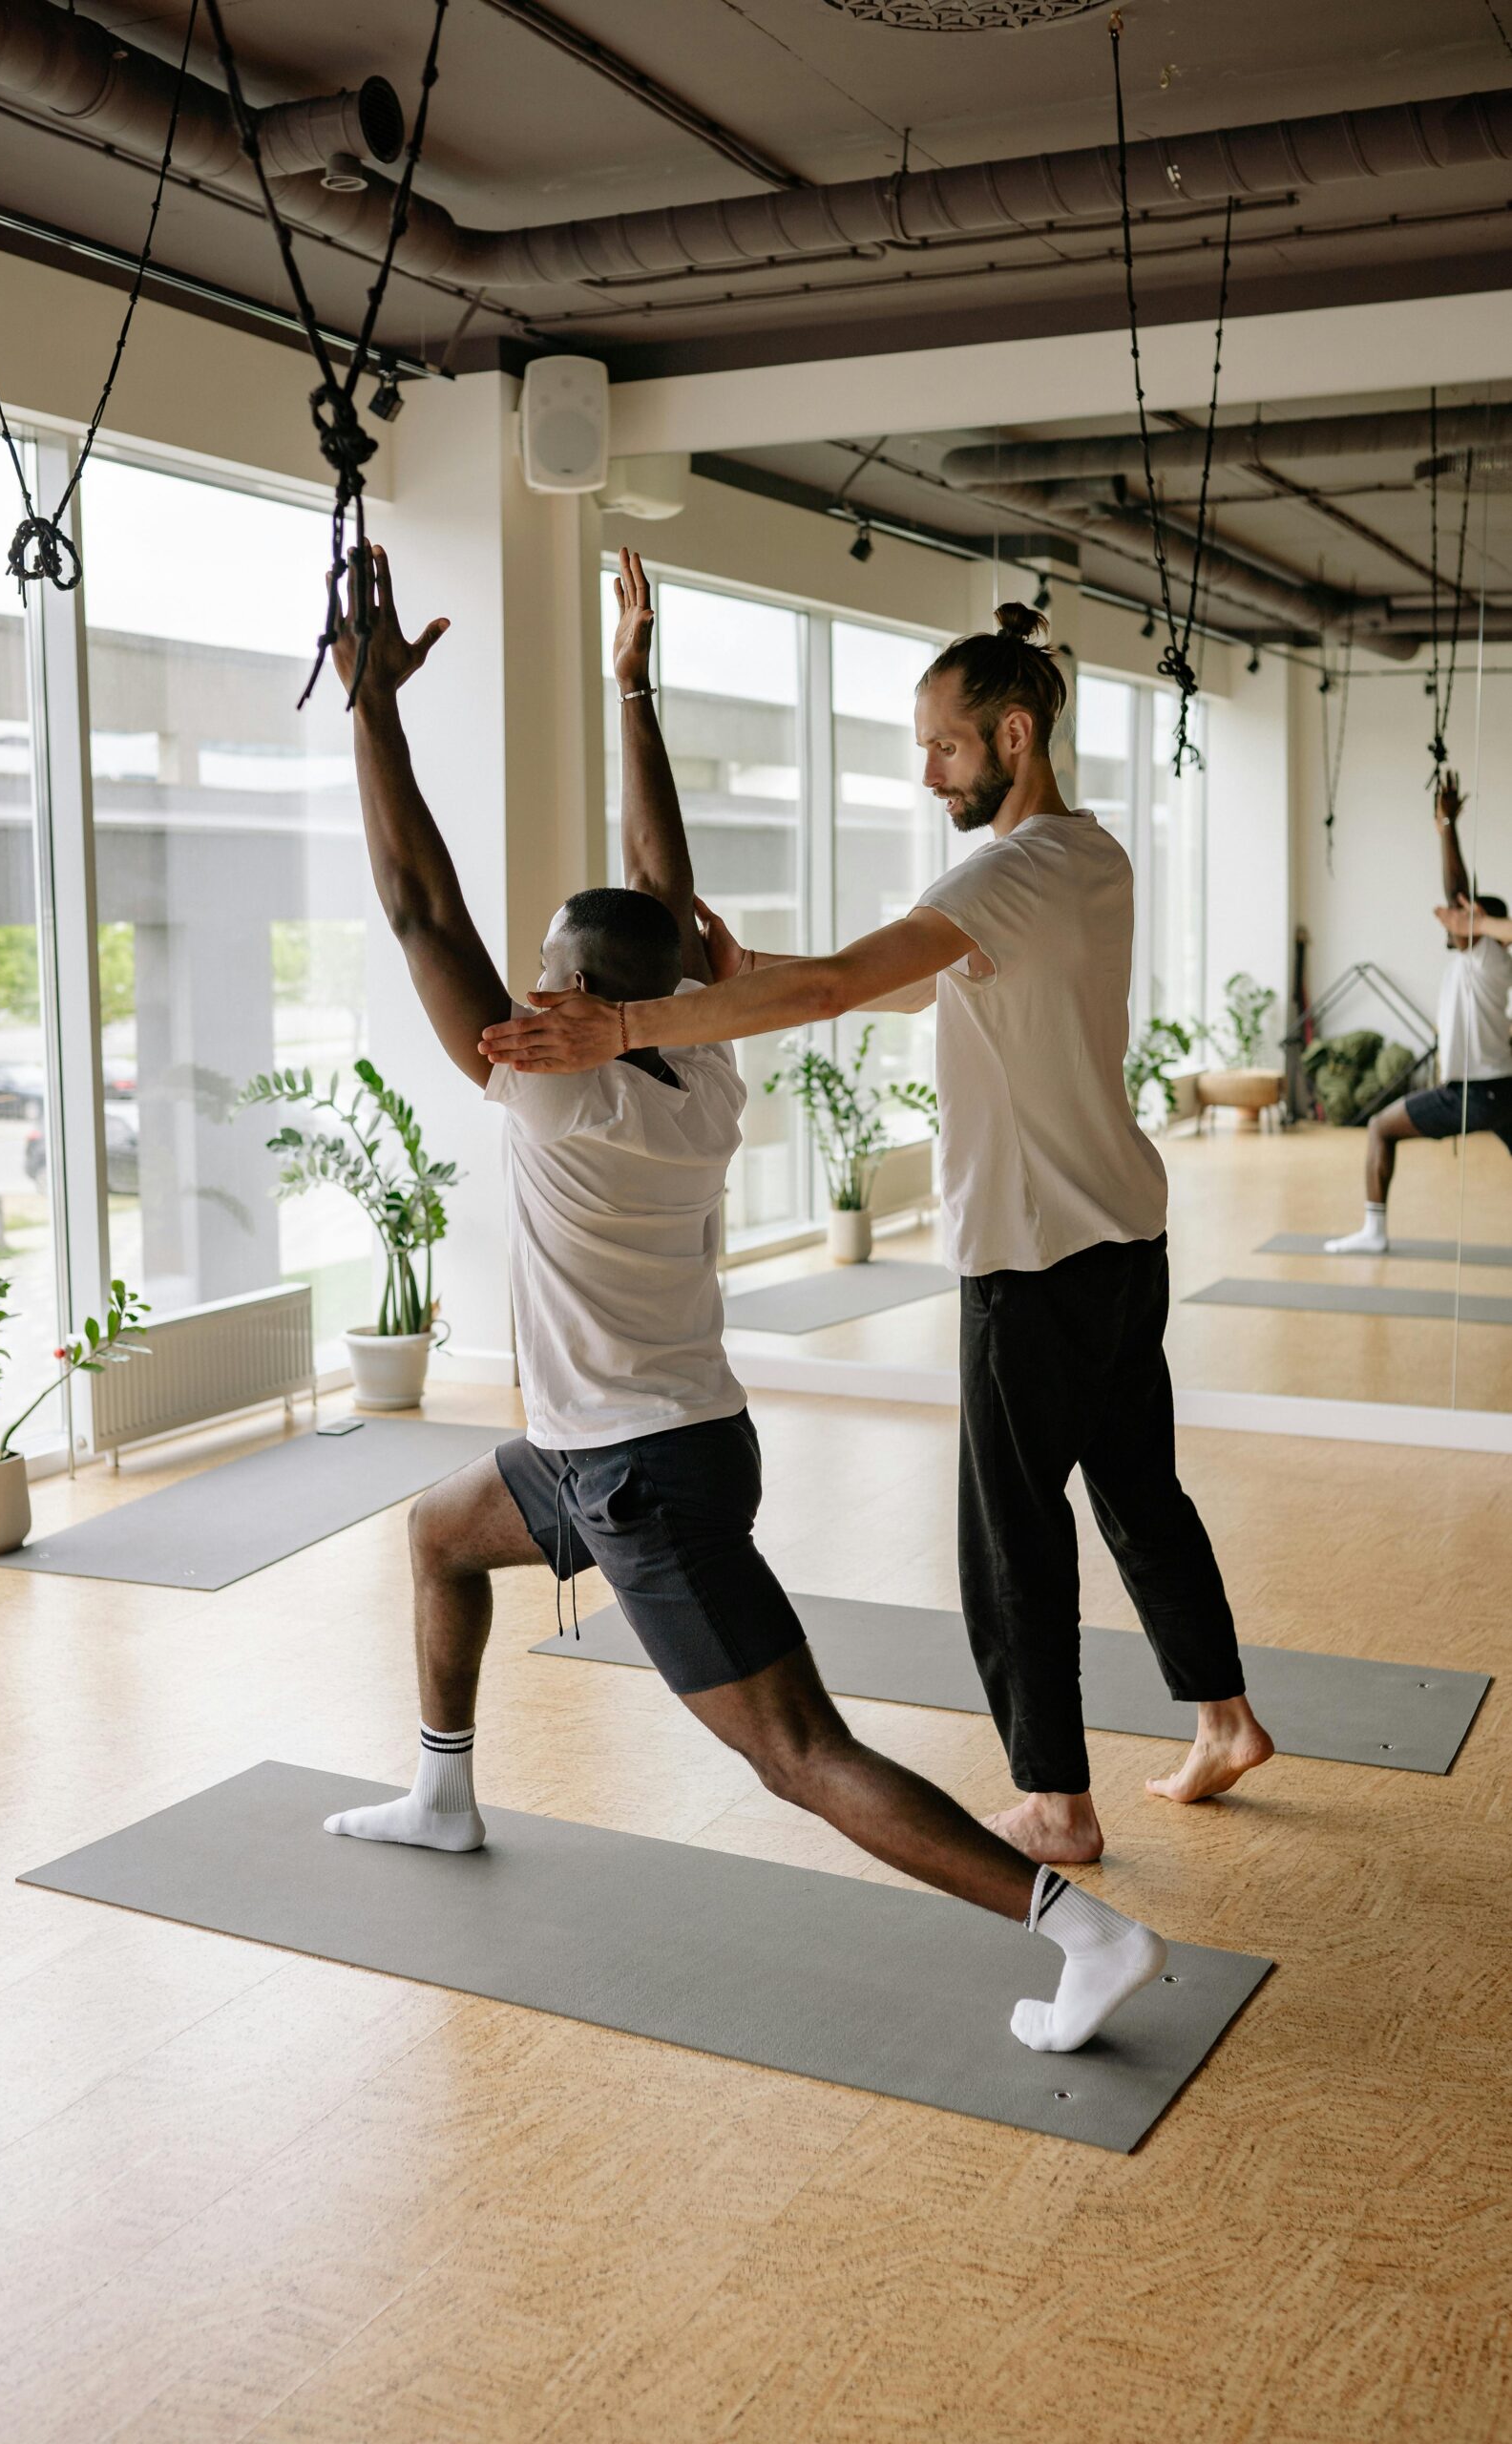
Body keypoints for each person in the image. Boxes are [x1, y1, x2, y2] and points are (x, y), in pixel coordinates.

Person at [323, 544, 1167, 2055]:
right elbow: (665, 894)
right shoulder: (697, 1067)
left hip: (642, 1474)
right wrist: (630, 681)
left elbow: (409, 900)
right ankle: (443, 1793)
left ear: (581, 1005)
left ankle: (1080, 1932)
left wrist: (371, 710)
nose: (525, 993)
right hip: (645, 1444)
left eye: (547, 979)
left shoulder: (554, 1093)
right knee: (441, 1532)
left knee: (794, 1751)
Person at [483, 600, 1273, 1868]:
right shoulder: (1085, 859)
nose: (924, 774)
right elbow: (897, 976)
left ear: (1012, 736)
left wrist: (625, 1030)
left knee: (1007, 1529)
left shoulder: (1004, 872)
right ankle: (1221, 1717)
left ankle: (1054, 1801)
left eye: (941, 748)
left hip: (1032, 1259)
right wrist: (746, 971)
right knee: (1135, 1491)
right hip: (1121, 1237)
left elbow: (847, 984)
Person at [1325, 772, 1512, 1254]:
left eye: (1464, 919)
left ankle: (1374, 1232)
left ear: (1479, 927)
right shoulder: (1481, 963)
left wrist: (1446, 826)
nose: (1451, 922)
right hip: (1501, 1088)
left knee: (1380, 1127)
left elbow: (1457, 897)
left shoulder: (1485, 955)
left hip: (1473, 1093)